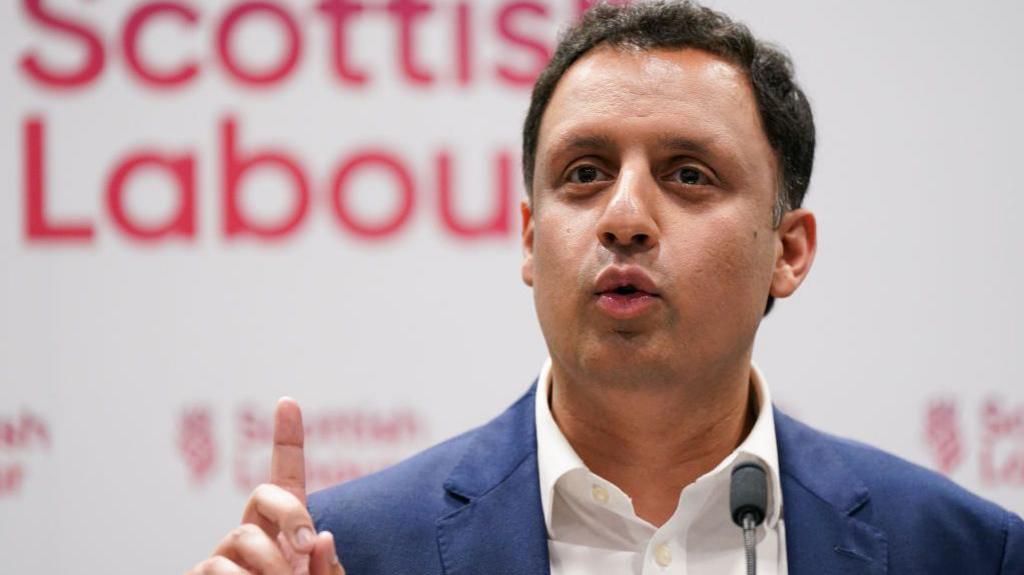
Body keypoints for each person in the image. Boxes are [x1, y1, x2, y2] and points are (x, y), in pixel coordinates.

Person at [187, 2, 1024, 574]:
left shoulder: (962, 551)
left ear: (789, 251)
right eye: (583, 174)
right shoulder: (353, 551)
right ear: (529, 237)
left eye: (688, 175)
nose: (624, 217)